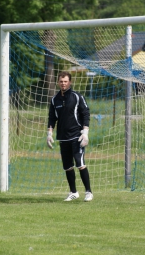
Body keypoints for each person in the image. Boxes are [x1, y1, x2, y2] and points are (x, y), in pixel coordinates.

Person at [47, 71, 93, 202]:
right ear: (58, 82)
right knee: (67, 166)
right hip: (62, 137)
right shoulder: (54, 99)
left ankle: (88, 192)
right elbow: (52, 118)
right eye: (61, 81)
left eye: (65, 81)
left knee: (80, 163)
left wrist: (85, 133)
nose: (63, 83)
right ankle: (73, 192)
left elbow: (86, 113)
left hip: (76, 136)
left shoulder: (77, 97)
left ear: (70, 82)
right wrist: (49, 134)